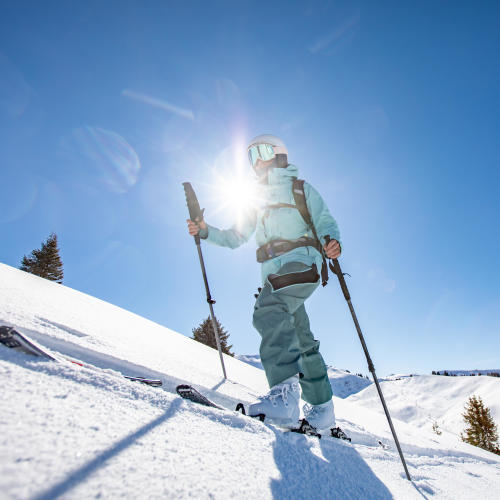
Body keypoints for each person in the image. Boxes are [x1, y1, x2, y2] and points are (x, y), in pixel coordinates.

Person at [186, 134, 341, 431]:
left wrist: (332, 242)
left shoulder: (299, 189)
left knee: (268, 309)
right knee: (301, 337)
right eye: (251, 154)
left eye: (264, 150)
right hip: (275, 276)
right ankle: (322, 410)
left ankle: (283, 398)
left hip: (304, 261)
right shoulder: (255, 201)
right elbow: (236, 237)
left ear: (280, 154)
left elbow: (325, 221)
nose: (257, 159)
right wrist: (205, 231)